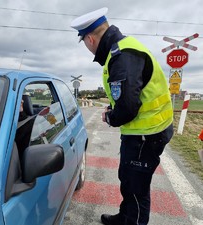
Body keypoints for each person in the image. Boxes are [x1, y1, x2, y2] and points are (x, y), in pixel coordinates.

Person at [71, 8, 174, 225]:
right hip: (144, 132)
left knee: (136, 189)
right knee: (128, 180)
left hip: (147, 134)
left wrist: (110, 117)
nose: (88, 48)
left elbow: (127, 107)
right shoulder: (123, 50)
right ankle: (125, 218)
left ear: (89, 39)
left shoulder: (122, 56)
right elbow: (131, 94)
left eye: (85, 43)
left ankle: (132, 220)